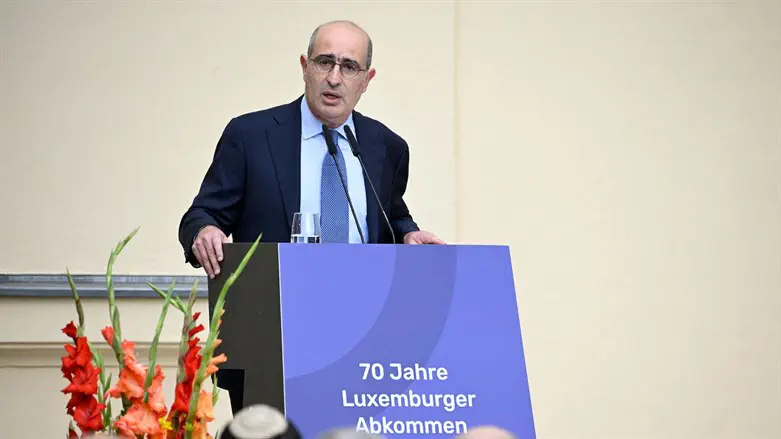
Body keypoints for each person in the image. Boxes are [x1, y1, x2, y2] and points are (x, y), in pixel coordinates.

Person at [178, 19, 444, 278]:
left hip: (364, 306)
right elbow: (202, 214)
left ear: (366, 80)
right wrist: (204, 230)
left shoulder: (388, 147)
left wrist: (409, 234)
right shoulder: (250, 136)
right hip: (273, 306)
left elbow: (392, 217)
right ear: (305, 67)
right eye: (325, 62)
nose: (334, 78)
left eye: (349, 67)